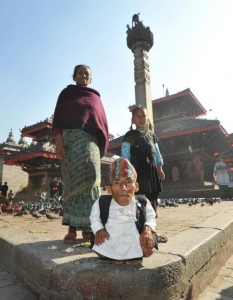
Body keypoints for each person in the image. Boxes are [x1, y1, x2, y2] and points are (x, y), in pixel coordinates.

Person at [52, 64, 109, 244]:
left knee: (92, 182)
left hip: (90, 144)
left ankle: (88, 228)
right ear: (74, 76)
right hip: (70, 144)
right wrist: (59, 140)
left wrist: (100, 146)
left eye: (87, 73)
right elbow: (58, 120)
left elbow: (102, 124)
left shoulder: (95, 98)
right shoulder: (66, 94)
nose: (83, 75)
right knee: (71, 184)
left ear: (90, 78)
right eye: (80, 73)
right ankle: (71, 229)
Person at [90, 157, 156, 265]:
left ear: (136, 186)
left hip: (134, 238)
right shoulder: (102, 202)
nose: (123, 188)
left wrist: (147, 229)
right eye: (117, 182)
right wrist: (99, 230)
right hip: (111, 238)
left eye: (128, 182)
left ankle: (134, 255)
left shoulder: (143, 202)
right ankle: (113, 255)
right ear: (109, 188)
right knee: (100, 248)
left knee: (148, 250)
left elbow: (151, 217)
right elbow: (94, 218)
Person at [121, 105, 167, 243]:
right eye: (137, 116)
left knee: (152, 201)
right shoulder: (129, 136)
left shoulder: (152, 136)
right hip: (138, 174)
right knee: (139, 202)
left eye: (143, 116)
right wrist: (127, 175)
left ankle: (152, 230)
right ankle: (138, 230)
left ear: (147, 119)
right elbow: (125, 157)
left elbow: (157, 154)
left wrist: (160, 169)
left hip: (152, 174)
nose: (141, 119)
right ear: (133, 120)